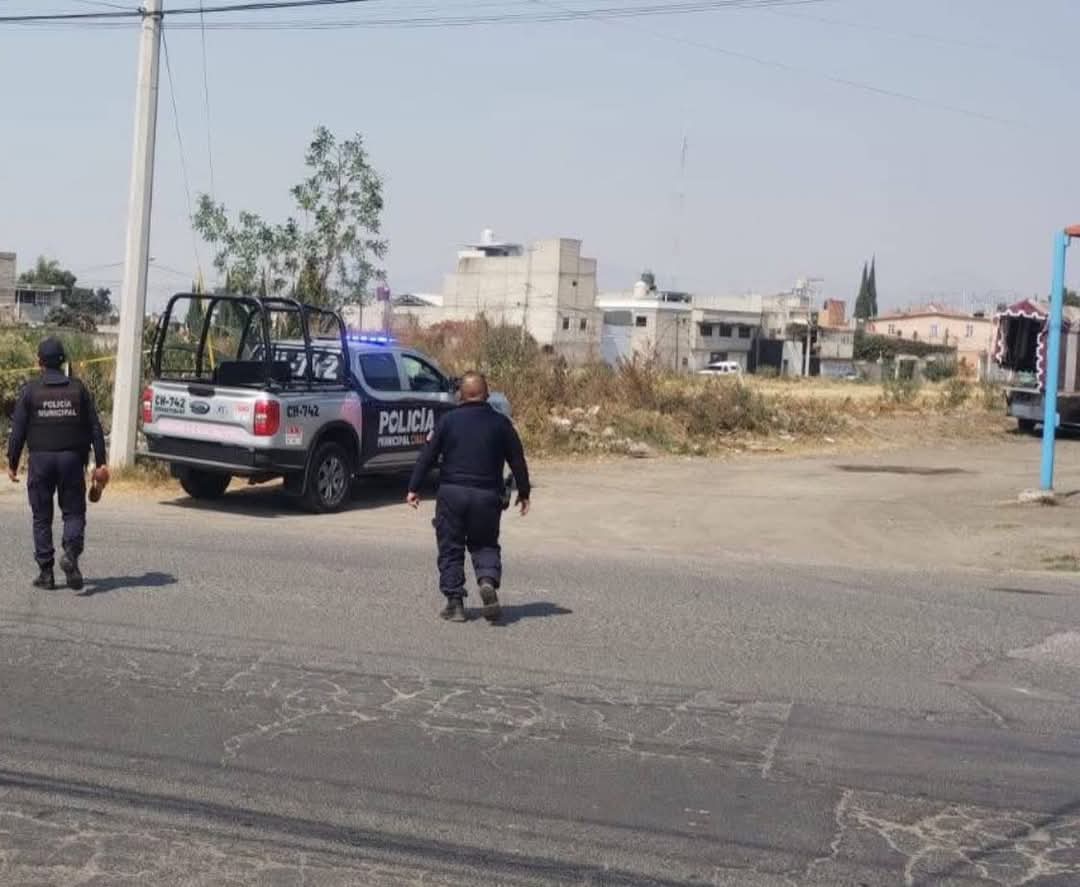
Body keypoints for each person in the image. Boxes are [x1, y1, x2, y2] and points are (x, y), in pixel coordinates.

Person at [407, 371, 530, 623]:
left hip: (452, 495)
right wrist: (524, 492)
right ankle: (487, 581)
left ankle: (455, 604)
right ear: (487, 394)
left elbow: (427, 456)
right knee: (485, 544)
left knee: (451, 547)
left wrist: (414, 487)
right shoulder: (501, 423)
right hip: (487, 497)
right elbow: (517, 460)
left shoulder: (447, 421)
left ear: (460, 395)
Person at [6, 337, 108, 591]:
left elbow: (18, 431)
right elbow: (95, 428)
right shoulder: (78, 389)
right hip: (72, 460)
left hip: (40, 461)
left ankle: (46, 573)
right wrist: (101, 463)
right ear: (63, 361)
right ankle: (70, 554)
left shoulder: (30, 391)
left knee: (42, 517)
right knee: (74, 513)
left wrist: (12, 462)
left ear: (39, 362)